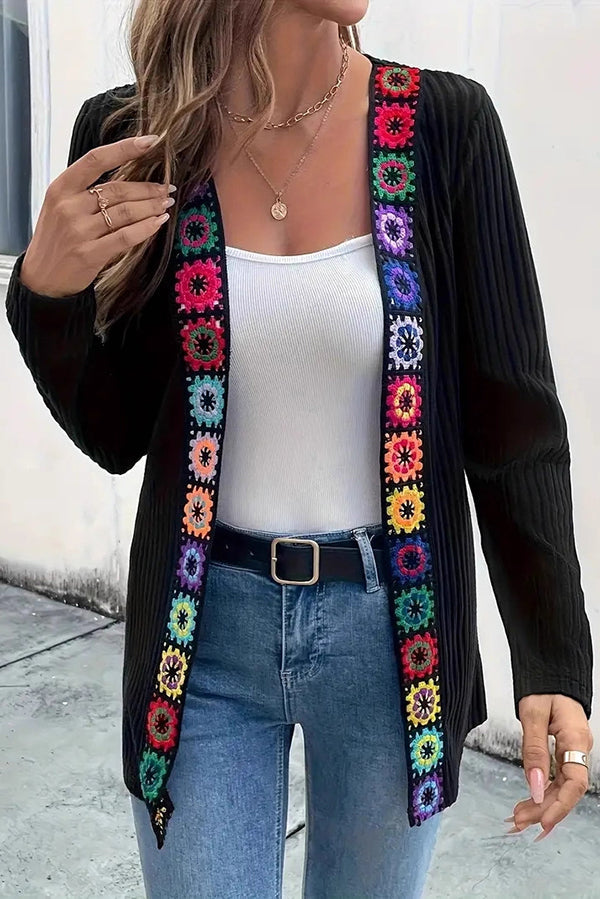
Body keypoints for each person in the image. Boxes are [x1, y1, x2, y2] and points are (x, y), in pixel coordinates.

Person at [5, 0, 594, 896]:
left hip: (394, 646)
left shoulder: (445, 128)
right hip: (199, 643)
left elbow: (513, 423)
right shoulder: (139, 140)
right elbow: (115, 434)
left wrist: (552, 656)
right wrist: (47, 292)